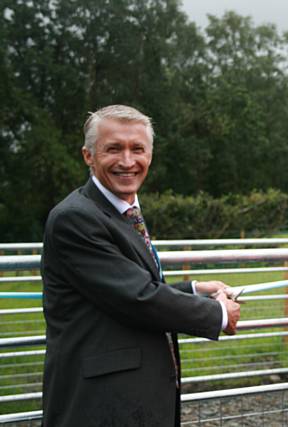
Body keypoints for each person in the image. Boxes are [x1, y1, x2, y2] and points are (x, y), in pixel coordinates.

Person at [40, 105, 241, 427]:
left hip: (131, 396)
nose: (127, 161)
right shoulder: (75, 218)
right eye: (113, 149)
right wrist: (216, 314)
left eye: (138, 149)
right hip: (101, 402)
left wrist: (193, 290)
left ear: (150, 154)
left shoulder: (120, 210)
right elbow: (136, 298)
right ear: (88, 156)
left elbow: (121, 288)